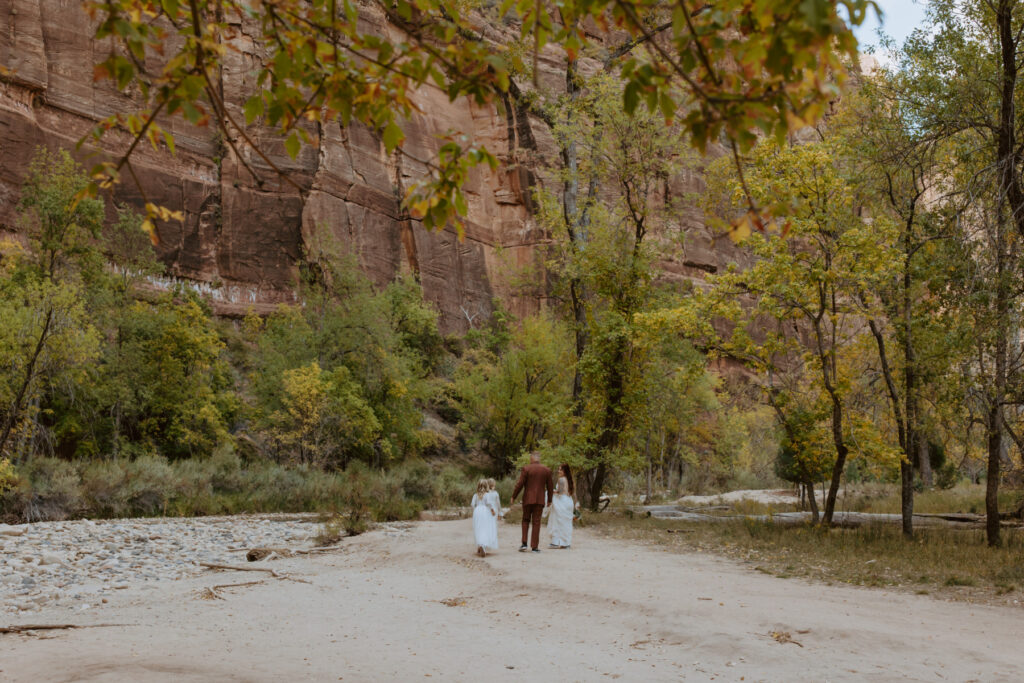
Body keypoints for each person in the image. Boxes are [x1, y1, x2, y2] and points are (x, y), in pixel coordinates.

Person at [510, 452, 553, 553]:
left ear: (532, 458)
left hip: (528, 499)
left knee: (525, 520)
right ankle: (534, 547)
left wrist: (514, 496)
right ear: (539, 459)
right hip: (540, 500)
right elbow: (550, 486)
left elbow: (520, 484)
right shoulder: (546, 470)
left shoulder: (526, 468)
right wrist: (550, 500)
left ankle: (524, 544)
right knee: (536, 522)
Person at [548, 463, 578, 549]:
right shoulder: (570, 480)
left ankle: (556, 542)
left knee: (558, 521)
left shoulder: (561, 480)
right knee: (566, 523)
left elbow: (560, 492)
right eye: (558, 469)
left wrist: (551, 491)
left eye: (560, 469)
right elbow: (571, 493)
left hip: (562, 502)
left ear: (565, 471)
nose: (558, 471)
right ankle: (566, 543)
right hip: (569, 501)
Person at [471, 479, 498, 557]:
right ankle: (482, 545)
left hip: (477, 511)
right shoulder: (487, 495)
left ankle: (480, 545)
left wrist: (475, 510)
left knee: (478, 529)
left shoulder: (475, 495)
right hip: (485, 511)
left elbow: (472, 505)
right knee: (485, 529)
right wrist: (493, 511)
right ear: (486, 486)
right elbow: (489, 504)